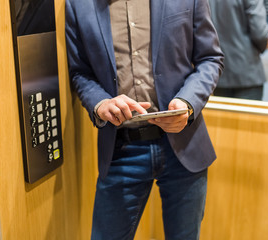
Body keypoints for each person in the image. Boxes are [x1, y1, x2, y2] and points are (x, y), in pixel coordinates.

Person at [65, 0, 224, 239]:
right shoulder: (78, 4)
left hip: (184, 146)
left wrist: (188, 103)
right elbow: (80, 72)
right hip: (121, 149)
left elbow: (210, 59)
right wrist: (101, 104)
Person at [208, 0, 268, 100]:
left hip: (218, 70)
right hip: (247, 72)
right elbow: (259, 33)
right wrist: (265, 42)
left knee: (222, 115)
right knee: (249, 115)